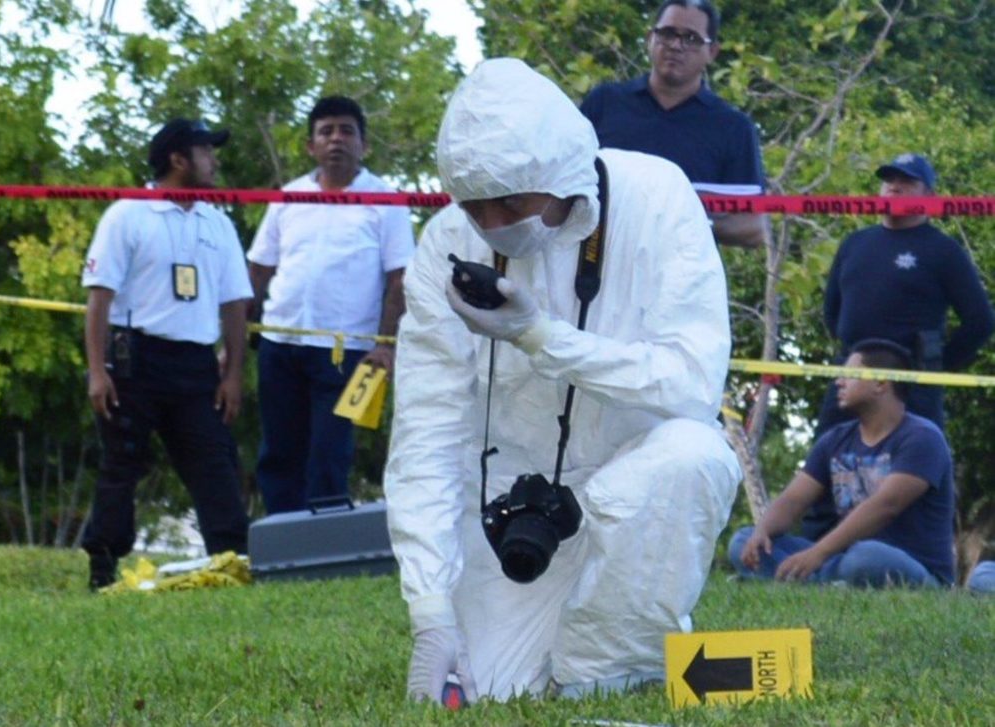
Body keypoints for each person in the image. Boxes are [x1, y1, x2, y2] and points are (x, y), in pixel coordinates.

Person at [384, 58, 741, 703]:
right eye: (475, 206)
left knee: (693, 456)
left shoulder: (657, 196)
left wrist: (541, 338)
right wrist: (430, 610)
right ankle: (617, 657)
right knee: (490, 691)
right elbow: (426, 430)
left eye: (509, 203)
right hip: (510, 520)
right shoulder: (446, 241)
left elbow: (692, 384)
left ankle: (608, 668)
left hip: (633, 494)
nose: (492, 224)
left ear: (563, 173)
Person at [81, 118, 253, 590]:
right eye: (205, 151)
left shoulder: (217, 222)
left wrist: (233, 372)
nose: (215, 161)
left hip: (197, 364)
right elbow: (99, 297)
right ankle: (103, 567)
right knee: (123, 463)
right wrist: (97, 371)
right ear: (179, 160)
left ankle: (232, 560)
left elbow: (236, 303)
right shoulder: (127, 214)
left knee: (214, 461)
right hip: (135, 357)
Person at [803, 153, 994, 539]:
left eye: (906, 182)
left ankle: (910, 557)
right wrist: (853, 359)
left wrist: (934, 366)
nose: (894, 187)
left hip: (911, 383)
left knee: (916, 465)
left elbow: (980, 320)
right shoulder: (856, 243)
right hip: (852, 373)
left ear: (929, 195)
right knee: (827, 457)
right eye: (888, 180)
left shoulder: (942, 250)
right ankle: (810, 553)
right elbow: (832, 312)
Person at [246, 96, 414, 514]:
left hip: (350, 353)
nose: (336, 139)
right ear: (310, 146)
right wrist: (233, 341)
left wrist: (386, 344)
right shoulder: (288, 196)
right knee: (278, 452)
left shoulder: (386, 200)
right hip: (278, 344)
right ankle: (282, 544)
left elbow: (401, 280)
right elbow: (257, 271)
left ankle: (322, 549)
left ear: (364, 144)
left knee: (329, 454)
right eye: (326, 131)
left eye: (346, 131)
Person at [729, 339, 956, 588]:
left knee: (866, 557)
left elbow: (886, 505)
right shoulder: (835, 440)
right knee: (743, 540)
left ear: (880, 382)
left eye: (849, 375)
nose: (839, 382)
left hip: (909, 567)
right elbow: (793, 500)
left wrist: (818, 553)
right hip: (840, 558)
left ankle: (807, 581)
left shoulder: (923, 438)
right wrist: (763, 531)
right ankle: (826, 582)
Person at [579, 0, 768, 248]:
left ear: (712, 52)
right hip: (594, 268)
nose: (677, 46)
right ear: (650, 38)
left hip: (680, 275)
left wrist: (682, 220)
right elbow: (563, 180)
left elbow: (754, 227)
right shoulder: (604, 102)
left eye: (691, 38)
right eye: (667, 33)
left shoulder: (733, 127)